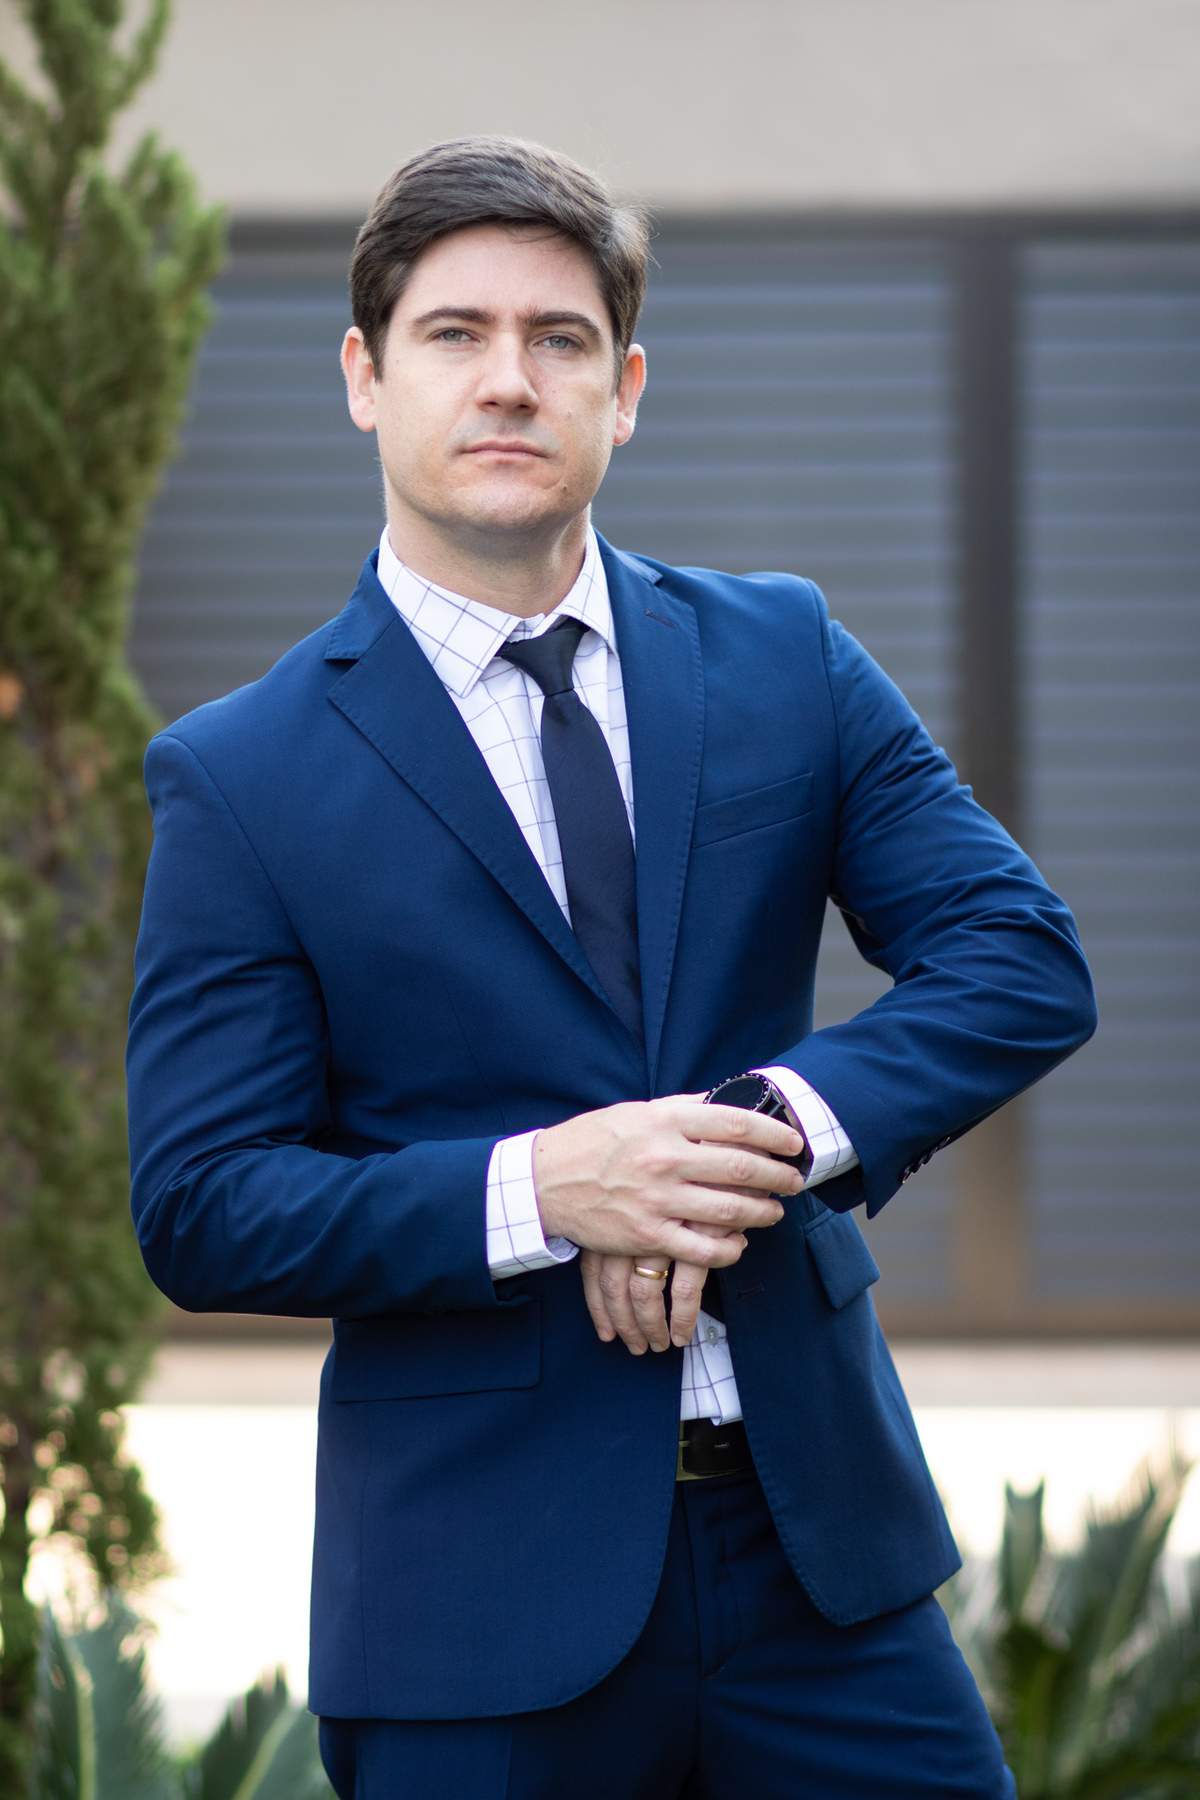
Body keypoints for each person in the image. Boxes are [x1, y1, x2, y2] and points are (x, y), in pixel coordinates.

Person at [127, 136, 1096, 1798]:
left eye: (560, 338)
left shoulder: (784, 654)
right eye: (455, 334)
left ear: (625, 390)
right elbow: (205, 1203)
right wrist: (549, 1190)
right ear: (363, 377)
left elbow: (1018, 955)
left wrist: (745, 1141)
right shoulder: (241, 773)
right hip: (476, 1607)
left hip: (826, 1571)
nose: (510, 379)